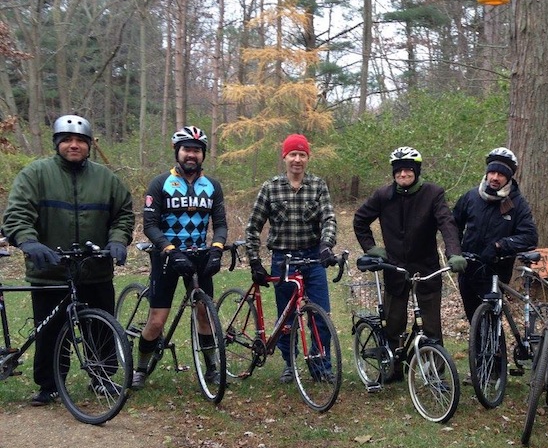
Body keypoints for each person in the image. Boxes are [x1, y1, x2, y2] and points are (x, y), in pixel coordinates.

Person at [1, 114, 134, 405]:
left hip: (94, 267)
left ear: (88, 145)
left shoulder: (107, 179)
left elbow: (123, 214)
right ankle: (49, 384)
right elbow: (17, 214)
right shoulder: (35, 174)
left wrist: (117, 240)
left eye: (80, 141)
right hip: (50, 269)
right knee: (49, 329)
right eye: (67, 140)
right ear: (57, 144)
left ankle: (102, 376)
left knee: (100, 327)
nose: (74, 146)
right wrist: (29, 241)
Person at [353, 146, 467, 381]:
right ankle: (393, 369)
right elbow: (360, 220)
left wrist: (454, 252)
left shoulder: (433, 194)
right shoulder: (383, 195)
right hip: (394, 268)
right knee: (393, 322)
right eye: (399, 172)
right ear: (394, 174)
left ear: (416, 171)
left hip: (426, 268)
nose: (403, 176)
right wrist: (373, 249)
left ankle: (436, 374)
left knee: (431, 326)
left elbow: (447, 223)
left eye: (408, 171)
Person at [132, 125, 228, 389]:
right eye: (187, 149)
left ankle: (211, 369)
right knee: (157, 320)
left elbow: (220, 223)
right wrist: (170, 250)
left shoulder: (212, 186)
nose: (191, 155)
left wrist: (217, 248)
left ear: (203, 155)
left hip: (199, 256)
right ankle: (140, 368)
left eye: (197, 150)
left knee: (204, 314)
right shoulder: (161, 183)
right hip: (166, 257)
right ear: (177, 151)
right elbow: (150, 225)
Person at [245, 133, 338, 383]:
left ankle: (321, 367)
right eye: (292, 154)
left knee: (320, 315)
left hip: (313, 258)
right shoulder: (270, 187)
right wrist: (255, 260)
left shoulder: (318, 186)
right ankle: (289, 364)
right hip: (283, 259)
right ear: (284, 157)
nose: (297, 159)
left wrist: (326, 245)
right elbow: (254, 226)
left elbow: (329, 218)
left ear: (308, 158)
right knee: (286, 318)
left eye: (302, 155)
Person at [453, 147, 538, 323]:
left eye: (500, 174)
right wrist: (456, 250)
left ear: (508, 178)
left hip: (496, 271)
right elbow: (453, 224)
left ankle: (497, 350)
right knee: (474, 320)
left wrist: (499, 246)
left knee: (492, 321)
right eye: (492, 172)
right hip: (468, 268)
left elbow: (529, 237)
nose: (495, 178)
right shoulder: (471, 197)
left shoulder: (517, 204)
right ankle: (476, 350)